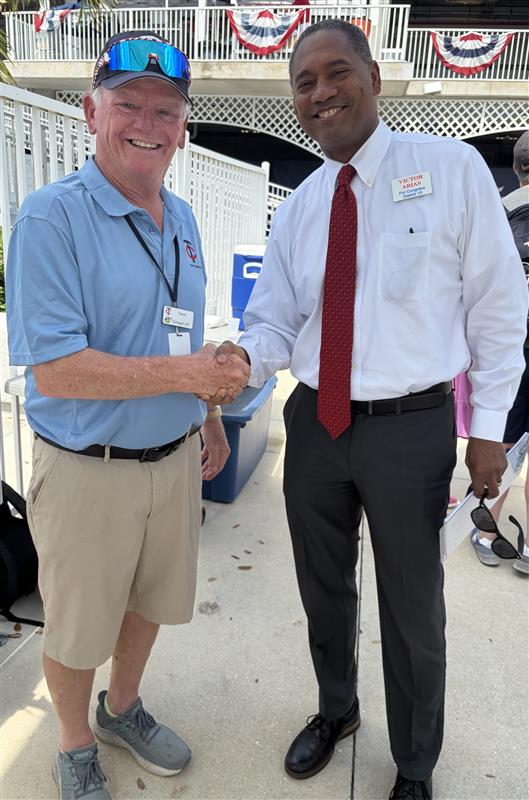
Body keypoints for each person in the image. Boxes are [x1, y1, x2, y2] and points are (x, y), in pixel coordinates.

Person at [216, 19, 528, 800]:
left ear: (373, 75)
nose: (320, 93)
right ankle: (337, 710)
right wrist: (239, 361)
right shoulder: (299, 208)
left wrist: (486, 429)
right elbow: (276, 323)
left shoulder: (451, 169)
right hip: (315, 425)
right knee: (322, 587)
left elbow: (497, 306)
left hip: (409, 429)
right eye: (303, 82)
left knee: (412, 607)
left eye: (335, 72)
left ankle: (415, 762)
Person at [6, 30, 250, 800]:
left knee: (149, 602)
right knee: (78, 624)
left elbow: (176, 327)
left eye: (166, 110)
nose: (148, 122)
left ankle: (122, 708)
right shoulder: (51, 218)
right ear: (90, 111)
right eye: (129, 105)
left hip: (174, 457)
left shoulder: (178, 216)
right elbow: (57, 367)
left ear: (184, 126)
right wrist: (188, 371)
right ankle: (74, 741)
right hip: (88, 470)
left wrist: (207, 408)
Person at [471, 129, 529, 573]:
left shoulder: (499, 212)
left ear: (516, 168)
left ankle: (487, 530)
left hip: (512, 353)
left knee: (501, 444)